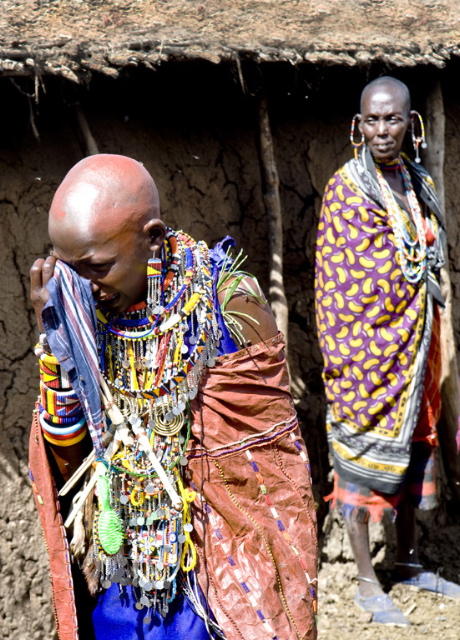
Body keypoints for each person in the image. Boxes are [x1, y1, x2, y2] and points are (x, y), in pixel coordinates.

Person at [29, 154, 317, 640]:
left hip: (217, 572)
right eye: (69, 272)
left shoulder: (228, 307)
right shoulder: (78, 315)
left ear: (153, 238)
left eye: (97, 268)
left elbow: (268, 481)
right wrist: (58, 345)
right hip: (123, 572)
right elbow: (69, 456)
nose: (82, 288)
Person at [315, 76, 460, 626]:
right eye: (372, 120)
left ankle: (407, 558)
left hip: (416, 352)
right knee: (358, 461)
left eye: (392, 119)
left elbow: (426, 255)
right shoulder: (347, 190)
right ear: (358, 126)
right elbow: (347, 282)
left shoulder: (414, 181)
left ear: (412, 123)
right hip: (366, 356)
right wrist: (415, 287)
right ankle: (363, 578)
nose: (382, 130)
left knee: (415, 447)